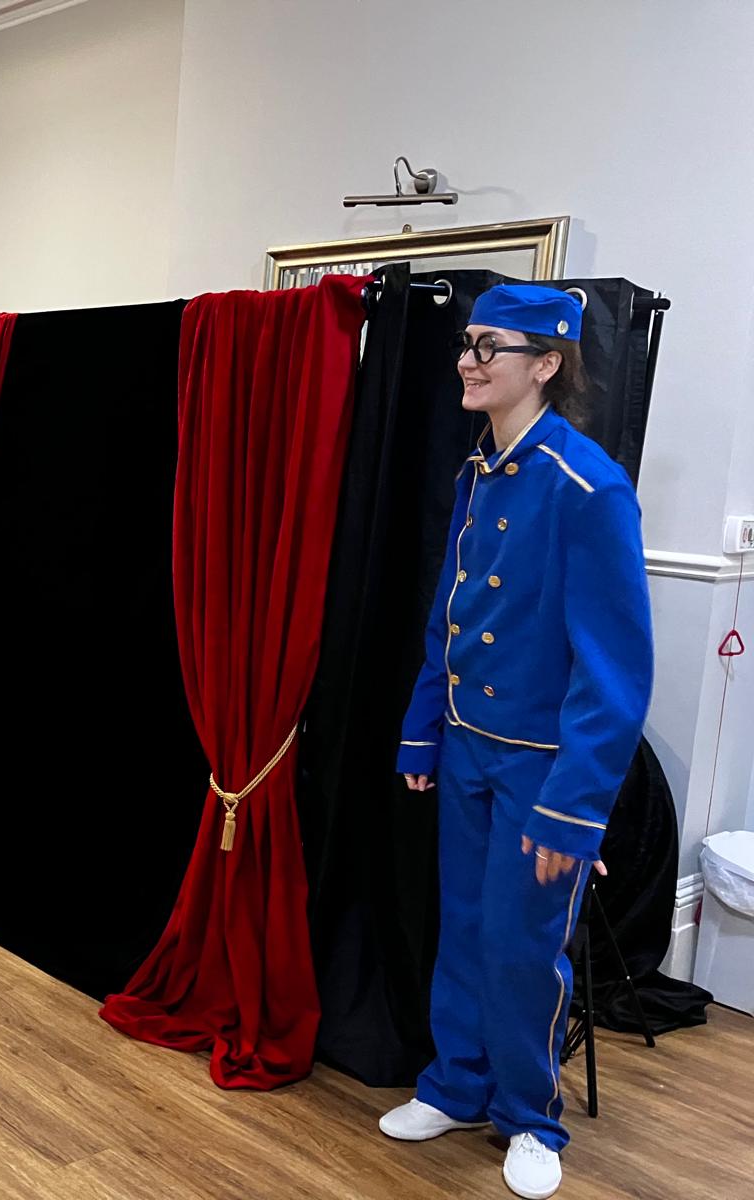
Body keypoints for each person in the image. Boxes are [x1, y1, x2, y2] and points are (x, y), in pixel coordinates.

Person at [380, 285, 653, 1200]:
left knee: (522, 946)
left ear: (545, 364)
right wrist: (423, 730)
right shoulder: (478, 472)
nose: (468, 361)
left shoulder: (588, 487)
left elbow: (614, 672)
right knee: (462, 927)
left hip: (542, 767)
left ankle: (531, 1118)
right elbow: (451, 616)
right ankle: (455, 1086)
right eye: (467, 344)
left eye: (489, 347)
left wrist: (575, 810)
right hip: (467, 746)